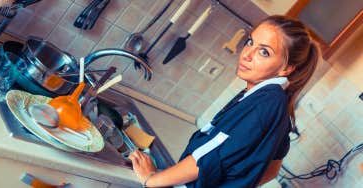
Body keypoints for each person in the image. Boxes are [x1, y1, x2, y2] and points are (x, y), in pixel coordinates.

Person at [129, 15, 320, 188]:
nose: (246, 54)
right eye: (250, 42)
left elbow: (209, 157)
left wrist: (151, 179)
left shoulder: (266, 101)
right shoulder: (275, 103)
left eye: (264, 52)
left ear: (287, 68)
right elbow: (273, 168)